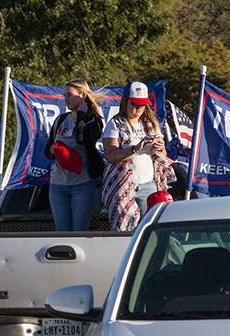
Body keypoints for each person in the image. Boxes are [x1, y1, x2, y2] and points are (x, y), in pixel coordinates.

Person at [101, 81, 176, 231]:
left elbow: (164, 155)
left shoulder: (150, 124)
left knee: (150, 228)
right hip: (123, 184)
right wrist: (134, 149)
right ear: (126, 101)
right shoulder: (115, 124)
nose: (139, 108)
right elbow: (110, 156)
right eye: (135, 104)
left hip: (148, 183)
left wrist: (160, 148)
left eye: (142, 104)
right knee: (125, 228)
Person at [43, 79, 105, 231]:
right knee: (62, 232)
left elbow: (81, 138)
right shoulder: (61, 120)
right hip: (57, 185)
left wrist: (82, 115)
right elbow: (46, 150)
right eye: (64, 96)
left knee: (79, 232)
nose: (66, 99)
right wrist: (51, 150)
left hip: (82, 185)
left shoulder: (94, 121)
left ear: (83, 95)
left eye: (70, 95)